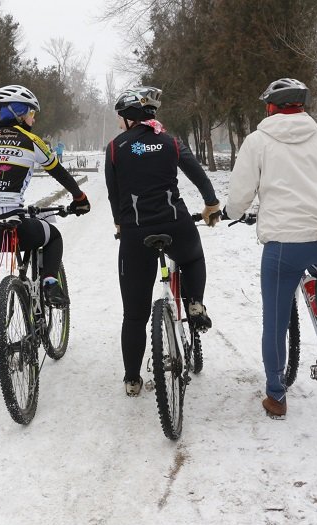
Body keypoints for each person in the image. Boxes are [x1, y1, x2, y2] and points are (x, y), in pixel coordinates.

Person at [224, 78, 317, 419]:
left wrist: (232, 212)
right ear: (302, 107)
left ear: (271, 107)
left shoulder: (257, 142)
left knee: (276, 320)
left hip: (284, 245)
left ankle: (276, 396)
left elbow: (240, 197)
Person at [0, 84, 90, 389]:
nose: (33, 118)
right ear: (17, 112)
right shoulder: (32, 141)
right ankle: (49, 281)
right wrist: (80, 197)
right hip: (12, 223)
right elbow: (59, 172)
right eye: (31, 112)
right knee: (53, 237)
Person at [104, 86, 221, 397]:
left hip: (135, 232)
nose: (118, 121)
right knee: (193, 257)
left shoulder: (115, 148)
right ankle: (194, 302)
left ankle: (132, 379)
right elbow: (197, 174)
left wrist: (120, 222)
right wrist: (211, 204)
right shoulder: (171, 142)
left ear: (130, 118)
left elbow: (114, 194)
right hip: (176, 224)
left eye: (120, 116)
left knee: (134, 313)